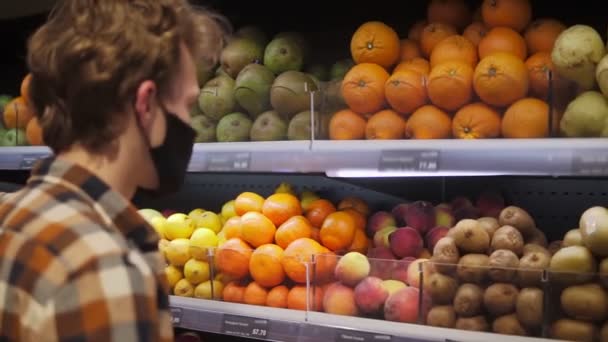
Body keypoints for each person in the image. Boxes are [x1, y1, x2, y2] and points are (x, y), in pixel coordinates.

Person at [0, 0, 227, 340]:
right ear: (146, 103)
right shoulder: (102, 265)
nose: (189, 122)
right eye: (187, 104)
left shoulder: (14, 215)